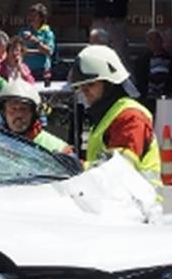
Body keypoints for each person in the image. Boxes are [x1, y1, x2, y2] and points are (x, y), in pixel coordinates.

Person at [68, 44, 160, 184]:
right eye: (81, 86)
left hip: (136, 201)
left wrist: (79, 167)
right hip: (113, 199)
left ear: (109, 84)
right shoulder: (106, 116)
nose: (84, 91)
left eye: (91, 85)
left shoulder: (130, 116)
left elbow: (122, 166)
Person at [0, 78, 73, 154]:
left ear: (34, 113)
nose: (18, 115)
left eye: (23, 109)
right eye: (13, 109)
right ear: (3, 113)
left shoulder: (59, 149)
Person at [134, 28, 172, 113]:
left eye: (157, 39)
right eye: (150, 40)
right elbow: (140, 80)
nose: (154, 42)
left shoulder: (171, 58)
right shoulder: (142, 60)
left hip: (166, 97)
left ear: (161, 41)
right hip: (149, 97)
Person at [21, 3, 55, 81]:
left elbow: (49, 51)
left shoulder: (47, 33)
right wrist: (39, 51)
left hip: (41, 71)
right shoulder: (24, 32)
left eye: (34, 16)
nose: (31, 18)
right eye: (30, 15)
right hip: (25, 70)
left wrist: (35, 41)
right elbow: (20, 49)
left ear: (41, 18)